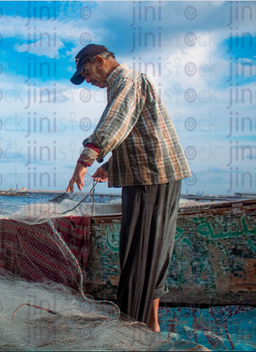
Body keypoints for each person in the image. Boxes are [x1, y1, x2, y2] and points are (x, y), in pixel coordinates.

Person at [66, 44, 191, 332]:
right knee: (150, 254)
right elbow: (134, 131)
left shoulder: (126, 80)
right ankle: (152, 326)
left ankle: (129, 332)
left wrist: (86, 159)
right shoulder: (126, 84)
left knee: (139, 256)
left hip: (152, 177)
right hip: (153, 175)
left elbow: (116, 121)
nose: (87, 80)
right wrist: (109, 167)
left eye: (86, 72)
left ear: (100, 61)